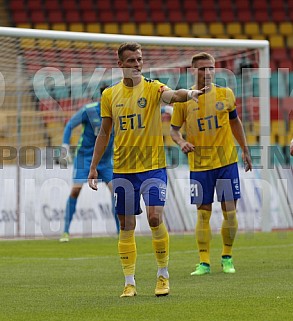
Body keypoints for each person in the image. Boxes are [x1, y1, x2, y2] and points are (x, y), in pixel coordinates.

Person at [88, 42, 207, 297]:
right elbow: (105, 132)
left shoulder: (153, 88)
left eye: (140, 59)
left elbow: (173, 95)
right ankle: (129, 282)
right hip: (123, 169)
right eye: (131, 61)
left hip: (153, 167)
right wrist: (94, 166)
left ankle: (163, 275)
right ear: (120, 64)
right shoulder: (109, 95)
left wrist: (190, 94)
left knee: (154, 218)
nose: (137, 64)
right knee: (126, 225)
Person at [170, 52, 252, 276]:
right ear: (193, 70)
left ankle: (227, 257)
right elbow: (173, 130)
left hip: (226, 162)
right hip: (199, 165)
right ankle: (204, 262)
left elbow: (235, 123)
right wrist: (182, 142)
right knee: (203, 213)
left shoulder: (226, 94)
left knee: (230, 212)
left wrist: (245, 150)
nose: (207, 72)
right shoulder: (184, 99)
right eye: (202, 68)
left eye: (211, 68)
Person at [59, 88, 120, 243]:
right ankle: (65, 231)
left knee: (116, 191)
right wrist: (65, 146)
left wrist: (165, 109)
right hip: (85, 157)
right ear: (102, 98)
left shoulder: (118, 112)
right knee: (76, 191)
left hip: (105, 160)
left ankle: (120, 232)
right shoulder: (89, 110)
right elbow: (70, 125)